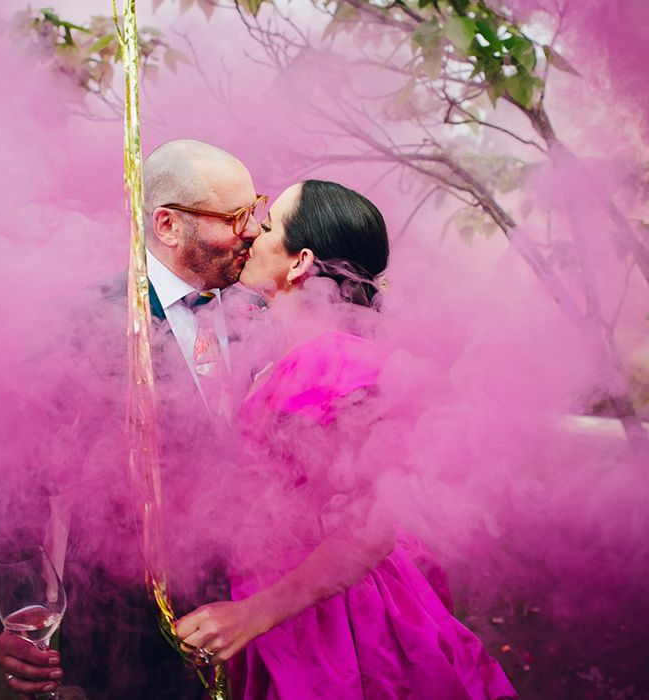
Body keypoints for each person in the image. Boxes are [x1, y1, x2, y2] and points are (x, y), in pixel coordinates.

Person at [176, 180, 517, 699]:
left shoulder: (340, 363)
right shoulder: (285, 355)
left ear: (299, 263)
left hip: (335, 626)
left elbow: (370, 530)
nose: (252, 234)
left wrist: (252, 615)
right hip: (282, 607)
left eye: (267, 227)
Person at [0, 139, 265, 699]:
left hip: (258, 621)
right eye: (235, 217)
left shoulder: (258, 308)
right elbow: (18, 484)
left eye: (254, 209)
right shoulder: (81, 324)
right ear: (167, 225)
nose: (252, 230)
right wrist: (22, 614)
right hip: (127, 634)